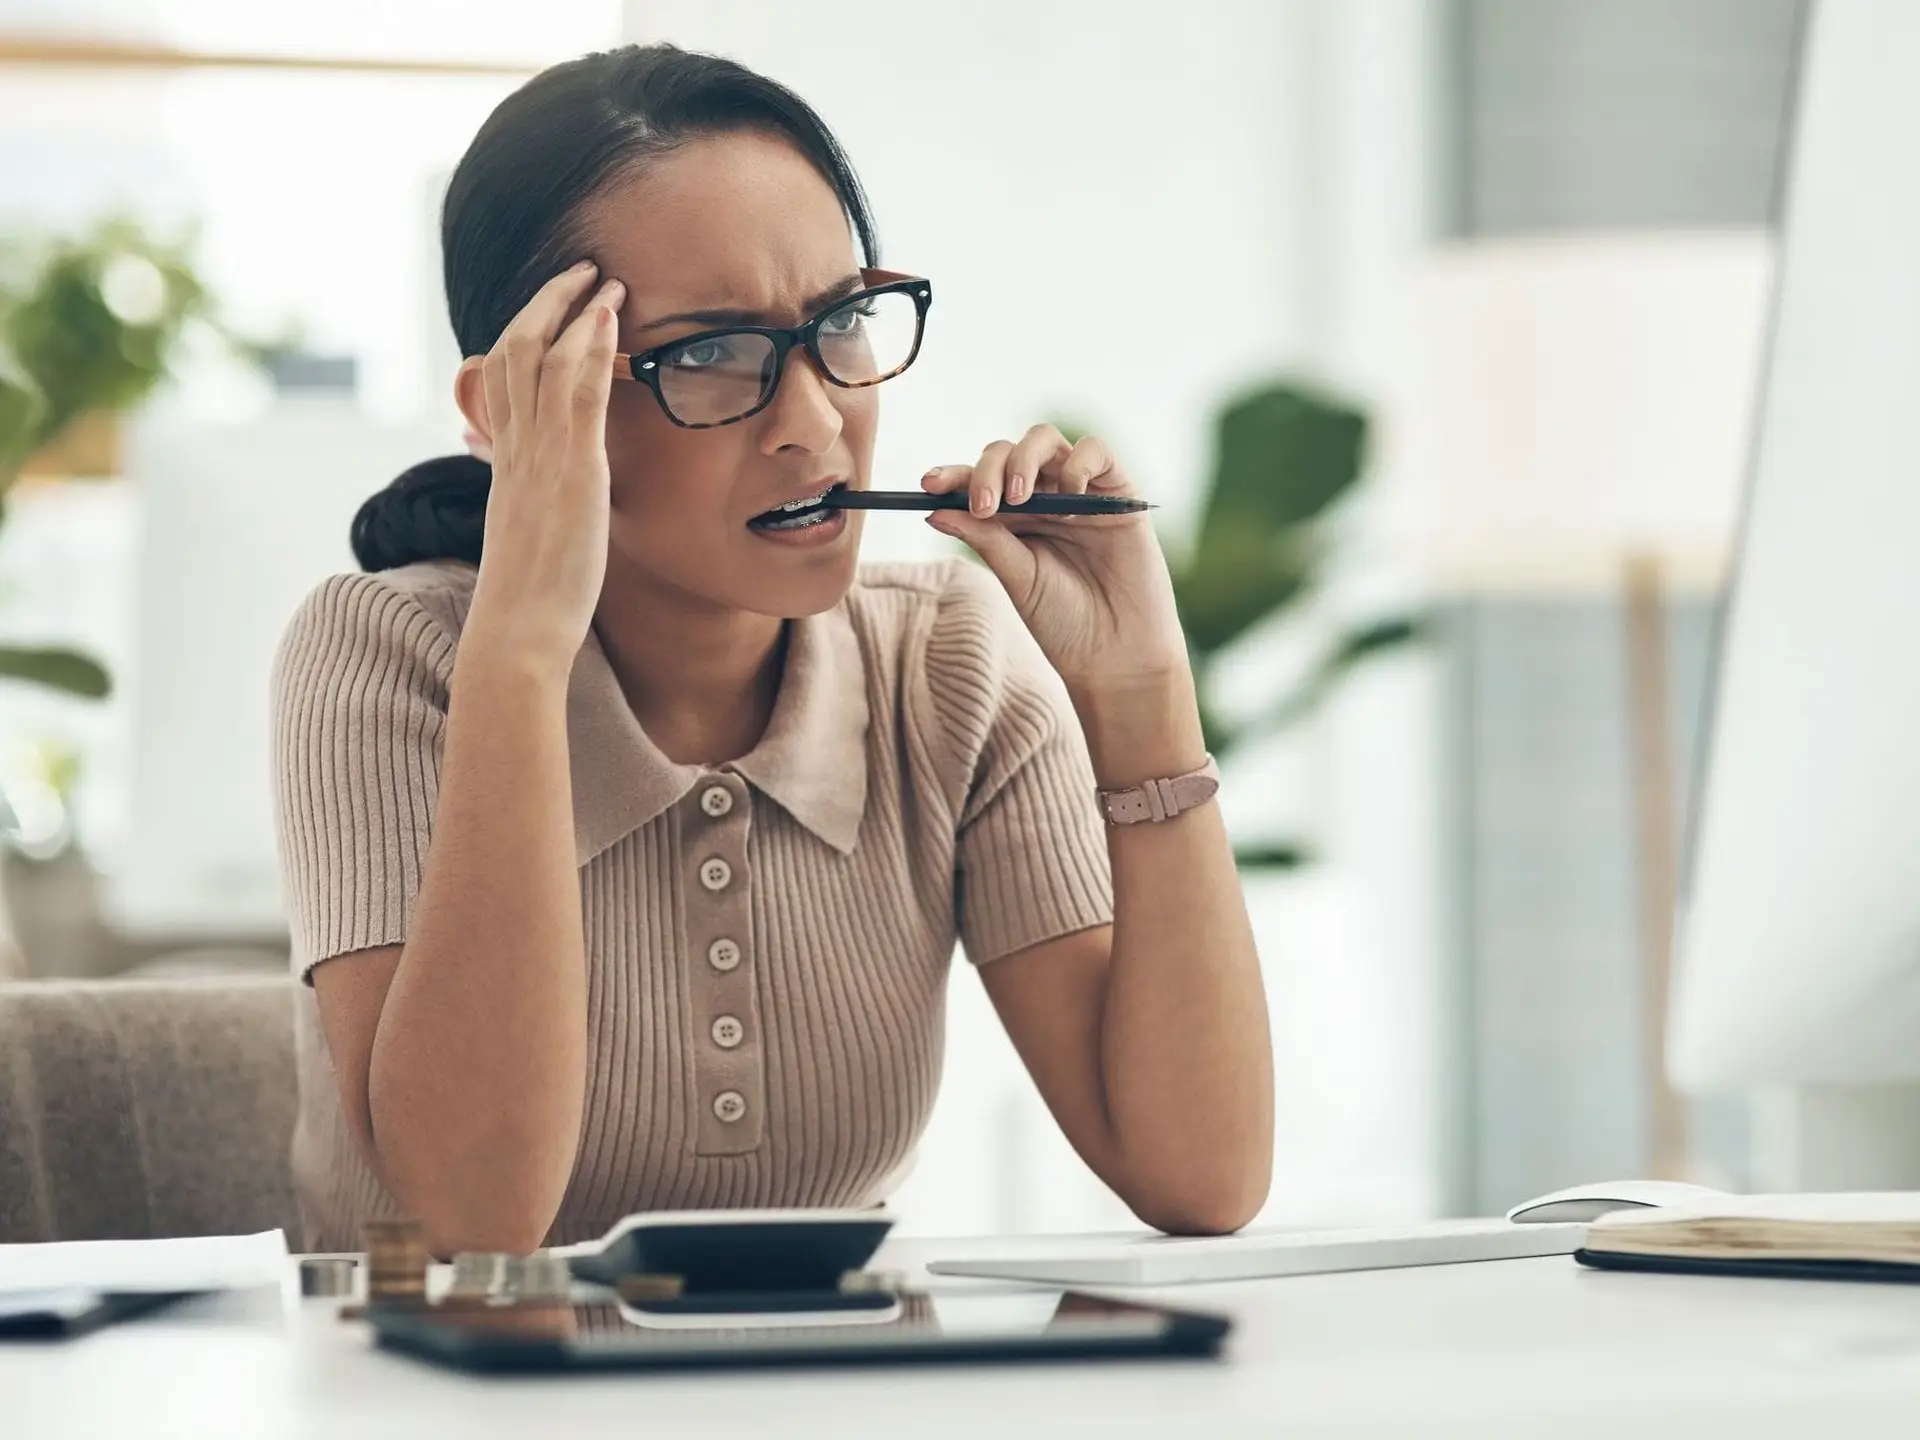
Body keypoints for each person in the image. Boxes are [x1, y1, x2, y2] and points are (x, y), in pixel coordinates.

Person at [271, 42, 1273, 1256]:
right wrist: (522, 652)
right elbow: (477, 1222)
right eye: (708, 353)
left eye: (841, 324)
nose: (816, 424)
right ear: (510, 408)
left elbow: (1201, 1177)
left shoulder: (943, 662)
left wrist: (1144, 694)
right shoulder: (383, 655)